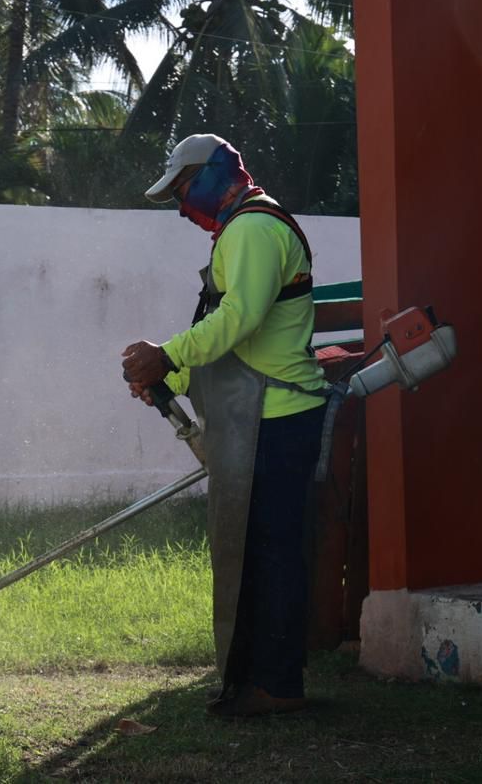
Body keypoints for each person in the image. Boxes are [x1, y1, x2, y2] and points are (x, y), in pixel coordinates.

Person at [121, 133, 326, 718]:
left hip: (278, 419)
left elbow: (240, 320)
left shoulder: (255, 229)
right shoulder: (238, 231)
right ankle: (258, 678)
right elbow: (225, 339)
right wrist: (171, 381)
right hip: (252, 417)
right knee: (251, 553)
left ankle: (278, 685)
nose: (184, 209)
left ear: (213, 176)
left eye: (184, 192)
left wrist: (168, 355)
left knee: (271, 553)